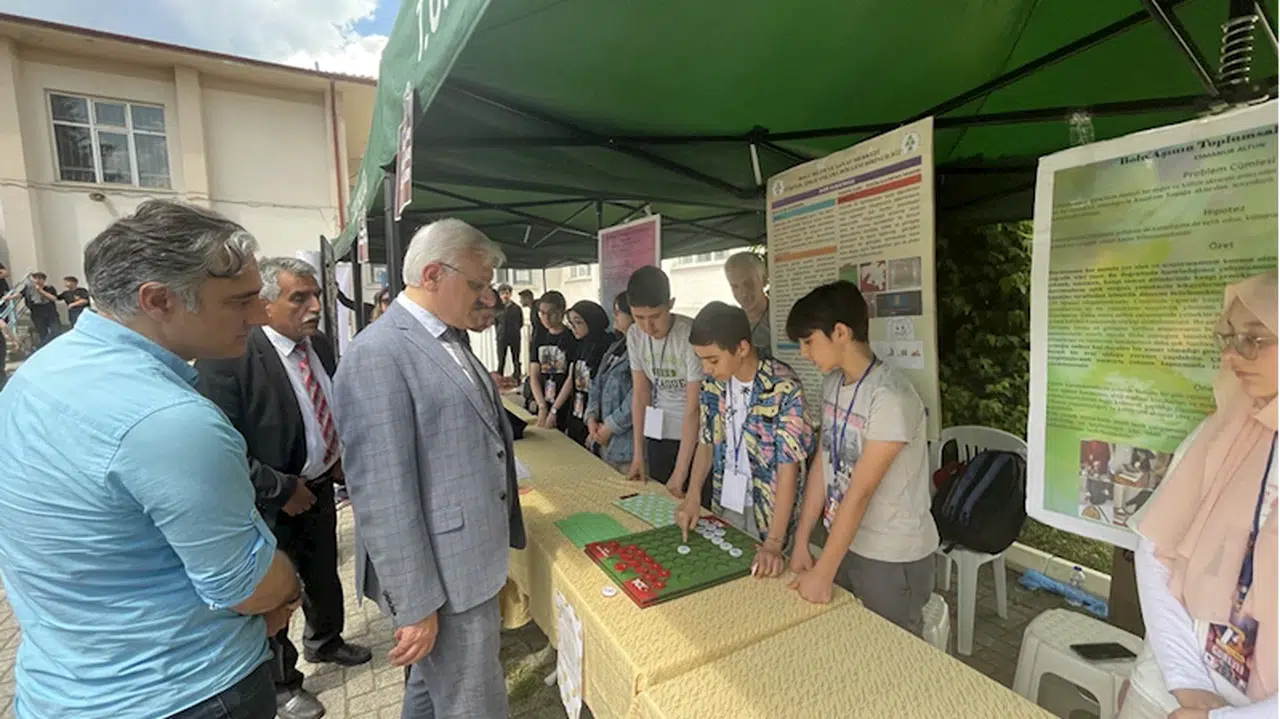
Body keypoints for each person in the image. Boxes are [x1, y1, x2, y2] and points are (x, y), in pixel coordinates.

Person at [0, 200, 301, 719]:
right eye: (241, 300)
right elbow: (247, 587)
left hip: (63, 689)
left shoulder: (36, 377)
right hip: (187, 692)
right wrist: (287, 585)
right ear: (159, 299)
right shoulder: (170, 420)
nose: (259, 315)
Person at [331, 218, 525, 719]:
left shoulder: (447, 338)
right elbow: (382, 492)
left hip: (466, 563)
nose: (486, 297)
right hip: (443, 575)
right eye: (477, 284)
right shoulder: (378, 353)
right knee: (473, 701)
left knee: (431, 687)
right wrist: (415, 604)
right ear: (434, 273)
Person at [196, 257, 372, 719]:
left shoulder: (320, 346)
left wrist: (334, 463)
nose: (314, 307)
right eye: (300, 297)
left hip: (318, 490)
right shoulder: (229, 358)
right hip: (269, 503)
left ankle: (326, 641)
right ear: (267, 303)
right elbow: (224, 448)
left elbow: (324, 410)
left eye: (317, 295)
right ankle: (281, 684)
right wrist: (280, 489)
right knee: (277, 595)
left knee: (322, 574)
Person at [1119, 272, 1278, 719]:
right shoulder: (1224, 431)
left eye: (1255, 338)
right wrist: (1185, 680)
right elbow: (1154, 545)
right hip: (1167, 687)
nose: (1231, 354)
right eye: (1228, 336)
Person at [784, 280, 939, 636]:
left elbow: (861, 491)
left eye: (809, 342)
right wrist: (803, 539)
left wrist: (823, 572)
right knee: (846, 640)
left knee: (892, 653)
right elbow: (823, 463)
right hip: (845, 539)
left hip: (891, 552)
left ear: (840, 332)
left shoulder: (892, 398)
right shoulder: (833, 385)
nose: (805, 354)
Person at [676, 302, 813, 577]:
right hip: (725, 500)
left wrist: (774, 542)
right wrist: (692, 497)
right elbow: (707, 440)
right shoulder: (714, 384)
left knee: (767, 583)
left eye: (713, 360)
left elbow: (789, 467)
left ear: (741, 348)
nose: (706, 369)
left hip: (772, 515)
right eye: (701, 360)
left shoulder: (783, 386)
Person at [625, 265, 712, 507]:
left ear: (670, 304)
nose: (648, 327)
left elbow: (694, 407)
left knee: (691, 506)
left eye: (655, 317)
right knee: (659, 507)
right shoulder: (634, 335)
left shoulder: (689, 335)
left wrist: (681, 472)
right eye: (639, 317)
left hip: (695, 440)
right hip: (658, 433)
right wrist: (638, 454)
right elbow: (641, 393)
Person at [587, 293, 635, 472]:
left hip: (627, 446)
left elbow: (637, 396)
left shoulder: (641, 351)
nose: (614, 315)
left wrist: (609, 427)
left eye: (618, 312)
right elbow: (596, 383)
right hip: (603, 440)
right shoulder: (616, 346)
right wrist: (591, 418)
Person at [566, 299, 616, 446]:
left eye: (579, 322)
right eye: (571, 322)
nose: (574, 327)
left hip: (597, 420)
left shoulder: (607, 346)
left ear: (592, 321)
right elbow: (572, 380)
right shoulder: (579, 344)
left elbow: (604, 390)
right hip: (578, 411)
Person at [530, 291, 578, 431]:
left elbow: (571, 378)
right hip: (543, 400)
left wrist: (554, 410)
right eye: (542, 313)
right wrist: (542, 405)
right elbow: (534, 375)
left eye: (551, 313)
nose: (546, 318)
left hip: (564, 402)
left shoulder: (571, 337)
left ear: (562, 312)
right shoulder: (539, 337)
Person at [724, 252, 772, 359]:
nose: (743, 293)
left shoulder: (781, 317)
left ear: (764, 280)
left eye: (748, 284)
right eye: (735, 286)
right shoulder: (730, 324)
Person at [4, 272, 59, 347]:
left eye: (40, 279)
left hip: (49, 311)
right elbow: (20, 294)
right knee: (42, 331)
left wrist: (41, 291)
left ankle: (48, 344)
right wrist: (8, 297)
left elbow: (54, 298)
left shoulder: (49, 288)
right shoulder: (29, 288)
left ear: (44, 280)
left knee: (55, 330)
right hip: (36, 311)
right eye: (35, 278)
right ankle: (45, 346)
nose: (37, 281)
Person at [496, 283, 524, 379]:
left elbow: (521, 322)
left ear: (510, 294)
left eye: (507, 293)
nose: (505, 296)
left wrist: (515, 329)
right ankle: (500, 380)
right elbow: (496, 322)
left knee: (516, 360)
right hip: (501, 337)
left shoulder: (517, 308)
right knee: (501, 360)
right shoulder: (498, 309)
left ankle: (517, 378)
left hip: (514, 337)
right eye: (503, 293)